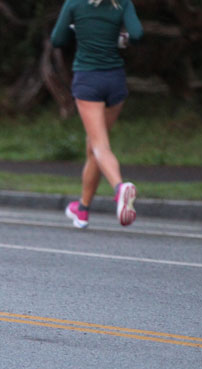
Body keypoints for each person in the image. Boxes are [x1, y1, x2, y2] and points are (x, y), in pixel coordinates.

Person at [51, 0, 143, 229]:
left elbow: (57, 40)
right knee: (93, 146)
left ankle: (120, 188)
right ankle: (82, 209)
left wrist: (77, 30)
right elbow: (138, 34)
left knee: (100, 146)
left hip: (88, 79)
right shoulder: (122, 3)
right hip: (115, 81)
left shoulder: (74, 4)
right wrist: (119, 39)